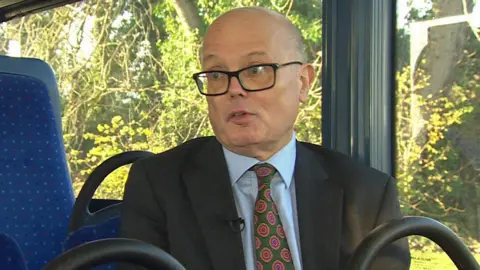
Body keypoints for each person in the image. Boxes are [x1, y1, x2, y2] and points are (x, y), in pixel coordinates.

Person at [119, 6, 411, 270]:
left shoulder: (368, 194)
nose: (235, 89)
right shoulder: (157, 184)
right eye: (217, 74)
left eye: (257, 70)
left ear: (303, 83)